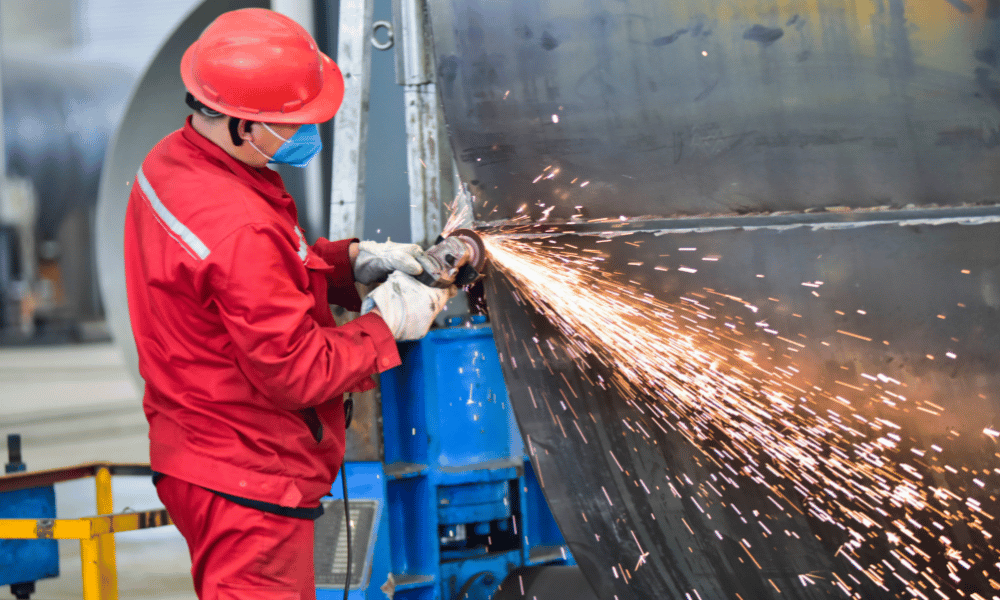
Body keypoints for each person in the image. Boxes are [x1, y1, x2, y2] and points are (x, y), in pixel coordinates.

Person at [122, 8, 454, 599]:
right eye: (292, 122)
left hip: (204, 445)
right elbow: (297, 369)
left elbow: (241, 284)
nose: (308, 133)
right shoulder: (236, 223)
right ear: (239, 124)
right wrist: (386, 324)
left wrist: (348, 264)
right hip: (246, 473)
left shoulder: (175, 162)